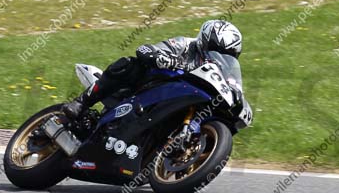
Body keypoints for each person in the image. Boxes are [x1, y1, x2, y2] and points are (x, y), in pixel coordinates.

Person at [62, 19, 242, 121]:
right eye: (216, 50)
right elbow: (145, 50)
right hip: (147, 89)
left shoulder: (221, 72)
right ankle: (82, 102)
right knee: (129, 64)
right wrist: (163, 58)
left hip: (177, 103)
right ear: (204, 41)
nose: (219, 57)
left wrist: (237, 97)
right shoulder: (185, 45)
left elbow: (233, 86)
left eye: (227, 55)